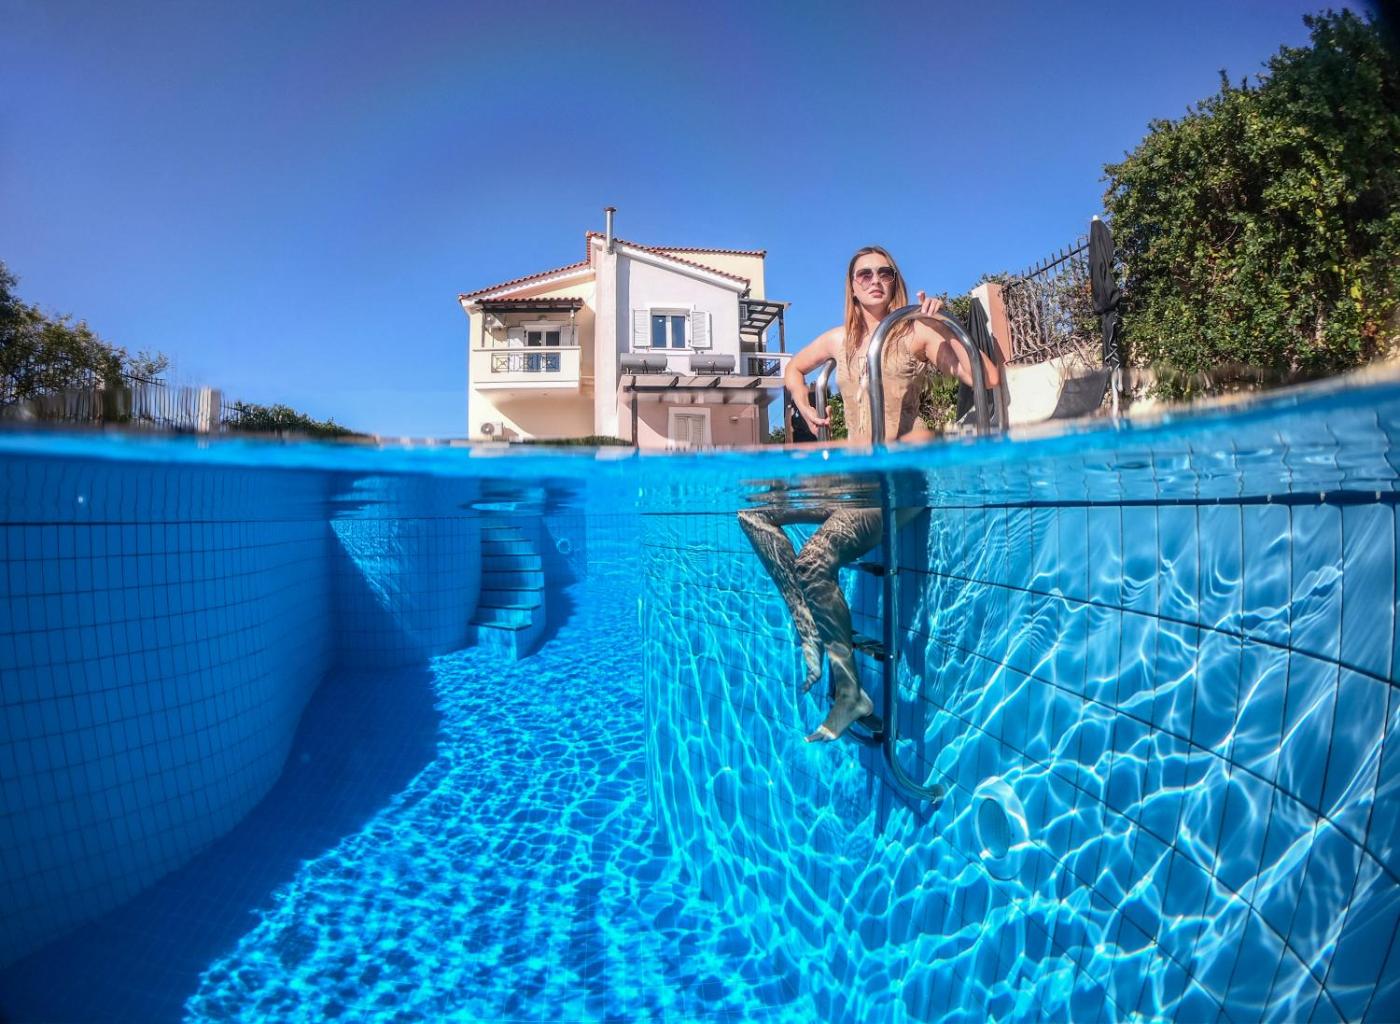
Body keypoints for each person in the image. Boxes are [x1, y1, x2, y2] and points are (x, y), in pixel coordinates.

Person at [738, 245, 999, 743]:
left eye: (885, 272)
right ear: (852, 286)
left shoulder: (916, 331)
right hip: (853, 483)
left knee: (813, 561)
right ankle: (803, 616)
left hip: (894, 485)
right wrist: (802, 403)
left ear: (895, 280)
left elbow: (986, 377)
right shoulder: (840, 339)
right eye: (864, 274)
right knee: (753, 511)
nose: (875, 280)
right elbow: (794, 367)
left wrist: (944, 326)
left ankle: (848, 692)